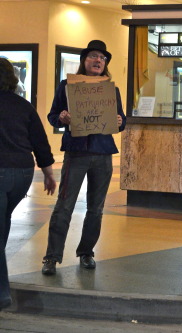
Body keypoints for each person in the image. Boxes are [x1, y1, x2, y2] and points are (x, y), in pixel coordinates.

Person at [42, 40, 126, 275]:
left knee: (96, 209)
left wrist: (121, 122)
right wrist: (62, 118)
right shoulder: (66, 86)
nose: (98, 60)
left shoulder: (112, 89)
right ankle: (51, 257)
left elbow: (120, 118)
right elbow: (52, 115)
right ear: (84, 60)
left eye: (102, 58)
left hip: (103, 153)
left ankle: (86, 252)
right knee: (64, 206)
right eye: (94, 56)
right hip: (76, 152)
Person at [0, 58, 57, 309]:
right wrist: (48, 173)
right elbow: (40, 142)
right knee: (3, 221)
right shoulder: (24, 106)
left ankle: (2, 293)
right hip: (22, 174)